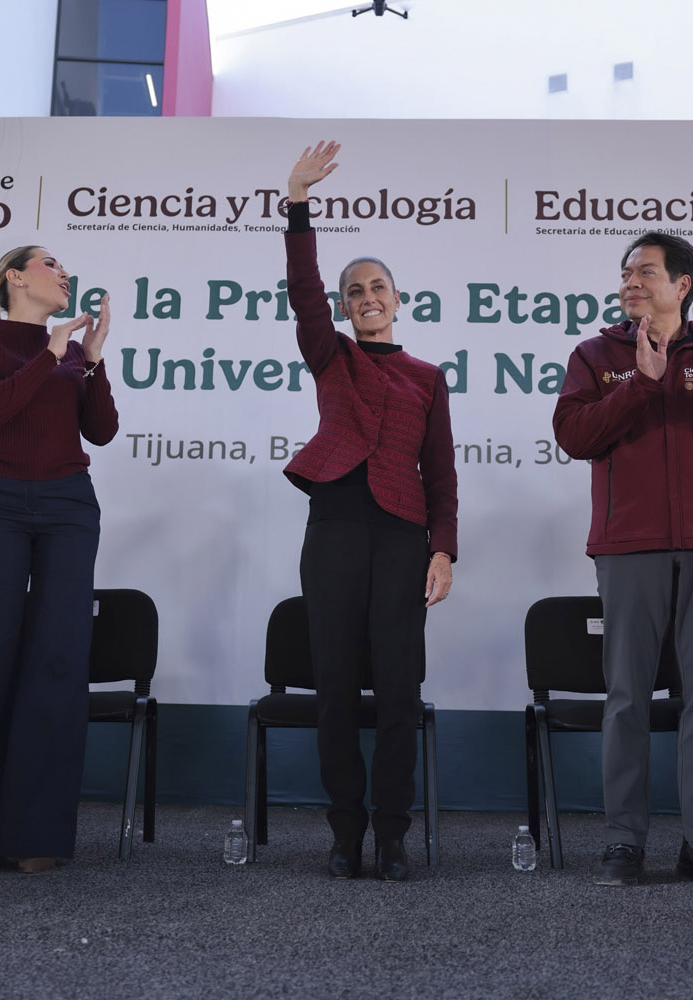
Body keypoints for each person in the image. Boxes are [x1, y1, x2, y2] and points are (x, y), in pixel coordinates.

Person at [552, 232, 693, 887]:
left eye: (646, 272)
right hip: (628, 547)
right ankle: (624, 845)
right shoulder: (596, 355)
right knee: (625, 699)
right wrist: (643, 387)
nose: (631, 282)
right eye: (626, 272)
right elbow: (575, 437)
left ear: (683, 285)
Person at [281, 142, 457, 881]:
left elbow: (441, 473)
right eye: (355, 290)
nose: (366, 296)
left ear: (395, 297)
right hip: (335, 527)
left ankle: (392, 834)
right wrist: (298, 203)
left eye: (377, 286)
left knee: (396, 693)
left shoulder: (425, 377)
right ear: (345, 308)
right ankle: (344, 832)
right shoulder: (331, 354)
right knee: (333, 694)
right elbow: (302, 289)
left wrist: (442, 549)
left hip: (401, 537)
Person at [0, 246, 119, 873]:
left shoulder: (71, 353)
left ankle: (37, 834)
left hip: (70, 506)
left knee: (59, 659)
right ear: (14, 277)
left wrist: (91, 362)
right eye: (50, 265)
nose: (64, 273)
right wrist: (50, 353)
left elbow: (100, 432)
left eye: (66, 267)